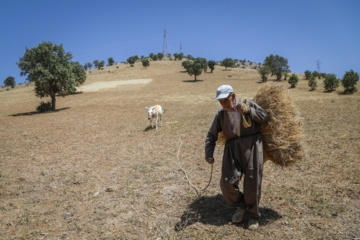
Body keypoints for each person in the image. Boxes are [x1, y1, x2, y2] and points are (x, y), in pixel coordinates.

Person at [205, 85, 269, 230]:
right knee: (226, 182)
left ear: (233, 96)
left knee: (253, 180)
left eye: (226, 100)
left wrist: (248, 111)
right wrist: (209, 154)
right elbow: (211, 135)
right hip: (232, 148)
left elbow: (265, 118)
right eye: (220, 102)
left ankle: (253, 215)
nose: (223, 104)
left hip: (252, 144)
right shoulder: (221, 114)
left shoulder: (248, 103)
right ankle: (240, 206)